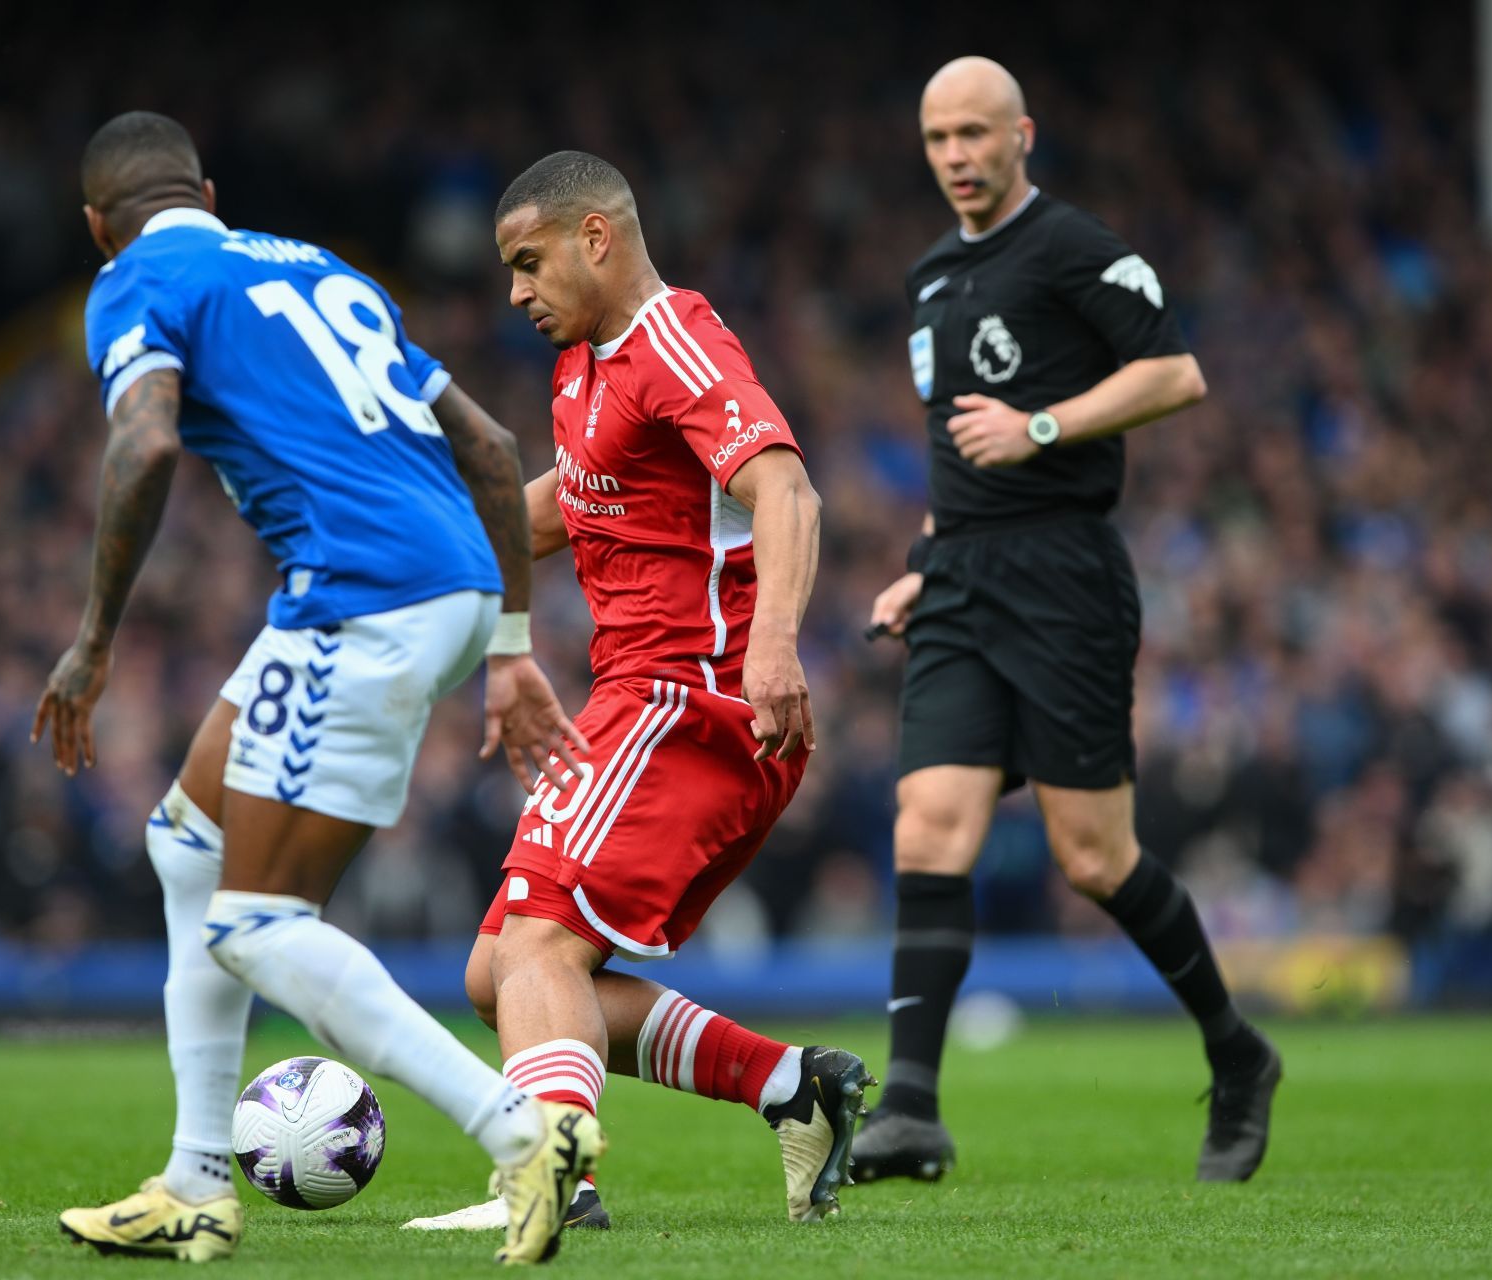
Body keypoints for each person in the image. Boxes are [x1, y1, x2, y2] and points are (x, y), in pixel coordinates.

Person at [34, 111, 602, 1267]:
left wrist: (93, 641)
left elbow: (143, 447)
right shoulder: (318, 265)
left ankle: (520, 1130)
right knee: (188, 840)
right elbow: (491, 444)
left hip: (360, 595)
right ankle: (196, 1180)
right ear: (209, 186)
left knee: (257, 922)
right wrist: (504, 643)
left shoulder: (137, 280)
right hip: (427, 582)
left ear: (99, 225)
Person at [406, 151, 871, 1235]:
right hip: (642, 698)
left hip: (695, 697)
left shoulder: (671, 343)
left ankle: (551, 1173)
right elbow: (575, 507)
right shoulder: (586, 363)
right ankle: (789, 1085)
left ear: (596, 239)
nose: (514, 291)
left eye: (528, 262)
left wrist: (775, 647)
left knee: (537, 945)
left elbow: (787, 488)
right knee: (500, 973)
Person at [854, 58, 1281, 1184]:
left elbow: (1177, 375)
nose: (956, 156)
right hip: (961, 582)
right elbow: (958, 452)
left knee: (1094, 857)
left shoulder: (1075, 248)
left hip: (1065, 577)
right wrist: (924, 563)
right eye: (938, 136)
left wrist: (1043, 427)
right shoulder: (932, 276)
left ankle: (1238, 1054)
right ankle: (911, 1108)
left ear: (1022, 135)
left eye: (975, 135)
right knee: (927, 824)